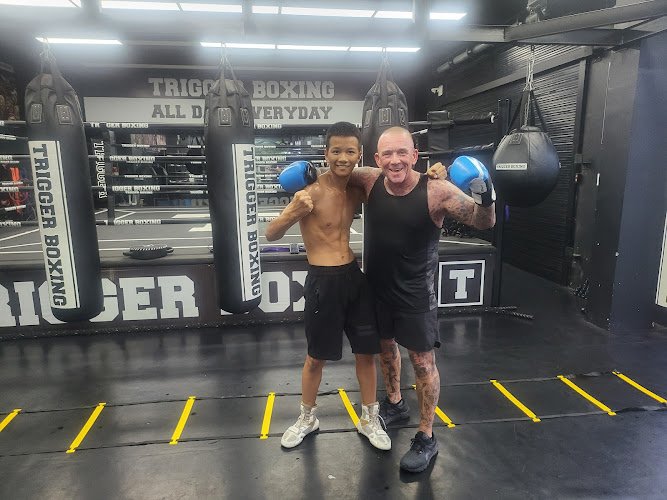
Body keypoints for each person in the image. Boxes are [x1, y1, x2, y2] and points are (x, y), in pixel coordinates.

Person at [349, 126, 496, 472]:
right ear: (377, 159)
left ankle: (427, 436)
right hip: (378, 289)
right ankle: (395, 403)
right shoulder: (369, 180)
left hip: (416, 295)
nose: (395, 160)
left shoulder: (436, 190)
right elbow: (337, 172)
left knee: (423, 363)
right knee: (386, 349)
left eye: (402, 152)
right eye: (387, 153)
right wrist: (309, 173)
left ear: (415, 155)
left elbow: (484, 222)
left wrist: (485, 191)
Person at [265, 121, 391, 451]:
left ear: (359, 154)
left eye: (350, 151)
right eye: (336, 151)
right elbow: (271, 233)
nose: (343, 158)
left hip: (355, 278)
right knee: (315, 358)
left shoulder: (358, 189)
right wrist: (292, 212)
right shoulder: (311, 191)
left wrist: (433, 174)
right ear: (326, 153)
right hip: (323, 281)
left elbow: (398, 182)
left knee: (366, 354)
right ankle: (307, 418)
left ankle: (369, 419)